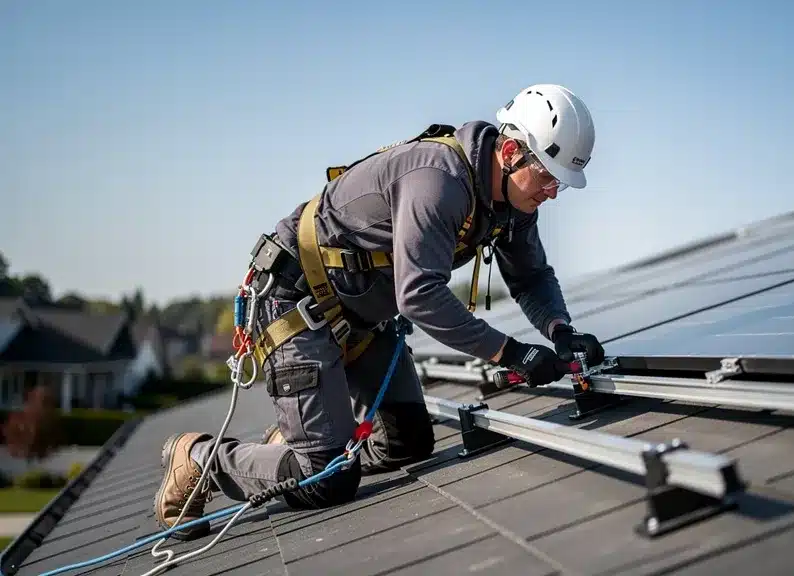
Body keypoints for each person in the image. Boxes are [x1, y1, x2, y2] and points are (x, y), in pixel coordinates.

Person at [153, 83, 606, 540]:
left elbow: (530, 277)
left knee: (407, 441)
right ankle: (199, 459)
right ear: (510, 151)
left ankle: (299, 443)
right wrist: (509, 353)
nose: (552, 193)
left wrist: (559, 330)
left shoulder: (513, 203)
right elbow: (419, 295)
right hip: (293, 305)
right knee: (326, 477)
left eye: (560, 184)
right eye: (548, 177)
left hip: (360, 319)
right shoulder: (439, 181)